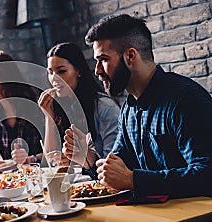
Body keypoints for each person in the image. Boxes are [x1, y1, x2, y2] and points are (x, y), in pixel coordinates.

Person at [64, 14, 212, 197]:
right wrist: (87, 156)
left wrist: (134, 180)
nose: (97, 71)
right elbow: (117, 169)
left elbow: (207, 175)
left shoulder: (186, 100)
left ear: (130, 56)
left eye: (103, 59)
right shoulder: (129, 109)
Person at [38, 42, 120, 172]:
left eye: (62, 71)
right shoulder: (62, 106)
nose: (54, 79)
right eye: (50, 72)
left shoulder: (105, 107)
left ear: (78, 71)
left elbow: (113, 161)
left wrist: (80, 159)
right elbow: (51, 160)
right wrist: (48, 116)